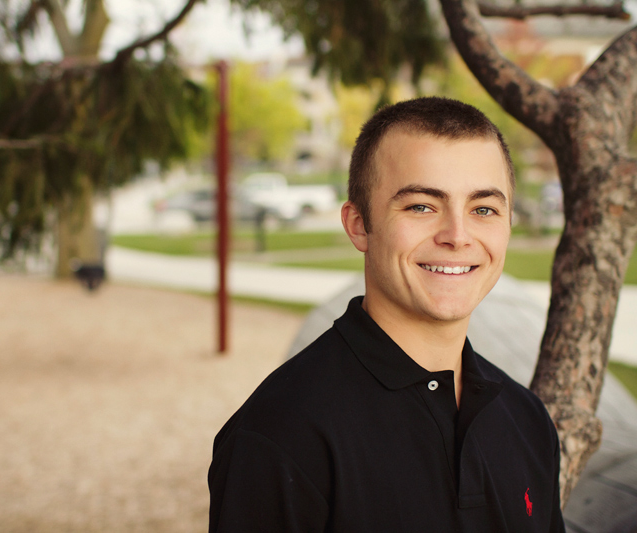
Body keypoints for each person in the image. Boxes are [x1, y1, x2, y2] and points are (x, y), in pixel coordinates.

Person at [208, 97, 565, 532]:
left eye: (483, 209)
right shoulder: (281, 435)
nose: (457, 235)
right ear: (359, 225)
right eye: (421, 206)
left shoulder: (526, 421)